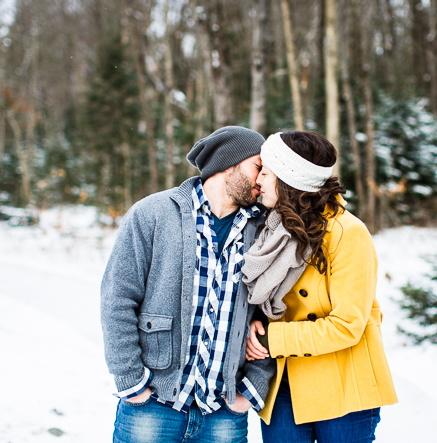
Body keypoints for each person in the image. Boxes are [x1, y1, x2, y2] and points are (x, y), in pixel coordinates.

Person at [101, 126, 275, 443]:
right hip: (153, 406)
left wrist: (252, 390)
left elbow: (271, 313)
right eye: (258, 167)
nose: (263, 180)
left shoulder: (264, 229)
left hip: (223, 414)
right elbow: (118, 299)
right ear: (230, 163)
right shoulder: (152, 214)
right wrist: (132, 382)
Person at [243, 131, 398, 443]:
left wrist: (272, 338)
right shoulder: (270, 230)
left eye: (266, 173)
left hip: (343, 385)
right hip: (285, 381)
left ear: (288, 180)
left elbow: (347, 325)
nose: (257, 180)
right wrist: (253, 326)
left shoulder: (347, 233)